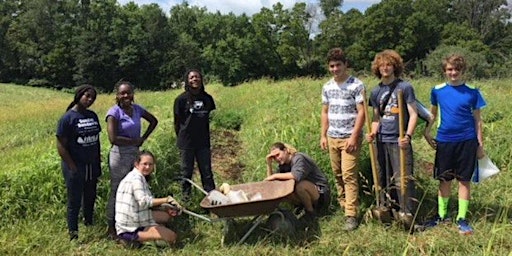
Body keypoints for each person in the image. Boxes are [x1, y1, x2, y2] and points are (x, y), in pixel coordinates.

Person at [422, 54, 486, 235]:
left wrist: (480, 144)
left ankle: (462, 218)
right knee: (444, 179)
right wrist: (427, 131)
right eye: (450, 69)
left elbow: (477, 120)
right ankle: (442, 215)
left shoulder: (473, 92)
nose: (453, 73)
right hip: (444, 141)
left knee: (464, 180)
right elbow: (432, 114)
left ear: (462, 71)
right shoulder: (437, 91)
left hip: (467, 140)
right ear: (444, 71)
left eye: (457, 69)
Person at [367, 49, 419, 225]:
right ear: (377, 68)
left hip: (399, 140)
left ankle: (407, 213)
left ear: (395, 66)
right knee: (383, 177)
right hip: (381, 140)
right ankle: (387, 209)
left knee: (402, 178)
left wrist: (408, 135)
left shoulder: (404, 87)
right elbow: (376, 117)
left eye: (388, 65)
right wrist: (372, 132)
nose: (385, 68)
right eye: (382, 65)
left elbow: (413, 114)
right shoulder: (375, 91)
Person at [105, 80, 159, 239]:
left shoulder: (137, 109)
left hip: (135, 155)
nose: (126, 96)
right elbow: (113, 138)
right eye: (122, 93)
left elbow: (153, 121)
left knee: (137, 188)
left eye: (128, 92)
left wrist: (143, 138)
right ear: (117, 95)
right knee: (117, 190)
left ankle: (134, 223)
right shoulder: (113, 113)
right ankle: (112, 227)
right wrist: (135, 141)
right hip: (119, 156)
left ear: (133, 94)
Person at [320, 47, 365, 231]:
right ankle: (343, 203)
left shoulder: (356, 85)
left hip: (349, 137)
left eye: (338, 65)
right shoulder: (327, 87)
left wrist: (354, 136)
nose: (335, 69)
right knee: (337, 174)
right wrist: (323, 135)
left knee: (348, 175)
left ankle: (351, 215)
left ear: (345, 65)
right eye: (332, 66)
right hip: (332, 137)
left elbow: (362, 112)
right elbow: (324, 112)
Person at [56, 84, 102, 241]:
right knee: (74, 200)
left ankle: (89, 223)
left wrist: (98, 159)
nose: (89, 100)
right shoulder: (67, 118)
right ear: (79, 95)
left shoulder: (92, 116)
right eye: (87, 96)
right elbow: (61, 145)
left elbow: (96, 140)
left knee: (90, 196)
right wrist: (72, 167)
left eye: (93, 98)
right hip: (75, 166)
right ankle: (73, 234)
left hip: (91, 164)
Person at [116, 151, 181, 246]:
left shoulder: (137, 175)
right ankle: (132, 239)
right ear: (137, 164)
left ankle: (150, 233)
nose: (147, 167)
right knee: (172, 238)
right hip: (130, 225)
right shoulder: (136, 180)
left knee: (166, 216)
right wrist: (166, 200)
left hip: (136, 215)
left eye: (150, 164)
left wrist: (164, 206)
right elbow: (144, 202)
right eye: (144, 164)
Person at [174, 69, 216, 199]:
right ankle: (186, 199)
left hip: (203, 141)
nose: (194, 79)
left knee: (207, 172)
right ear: (187, 80)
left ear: (201, 79)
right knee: (186, 172)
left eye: (197, 77)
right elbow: (177, 121)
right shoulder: (180, 100)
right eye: (191, 77)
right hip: (186, 142)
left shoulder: (207, 98)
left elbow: (210, 116)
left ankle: (212, 198)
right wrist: (181, 138)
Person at [265, 142, 331, 221]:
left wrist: (275, 176)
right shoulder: (283, 165)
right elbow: (271, 182)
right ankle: (301, 208)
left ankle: (311, 213)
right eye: (274, 157)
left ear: (285, 150)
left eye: (278, 155)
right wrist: (269, 164)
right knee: (282, 188)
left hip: (321, 193)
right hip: (309, 193)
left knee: (300, 186)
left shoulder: (299, 158)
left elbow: (296, 176)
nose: (277, 159)